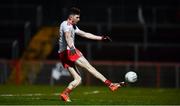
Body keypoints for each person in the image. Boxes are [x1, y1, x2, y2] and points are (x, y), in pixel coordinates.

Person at [58, 7, 126, 102]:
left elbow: (85, 34)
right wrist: (72, 48)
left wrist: (101, 38)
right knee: (90, 68)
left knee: (78, 79)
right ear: (71, 17)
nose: (79, 19)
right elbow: (67, 36)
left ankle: (65, 94)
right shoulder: (67, 24)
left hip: (63, 54)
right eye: (77, 17)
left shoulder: (72, 26)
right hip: (69, 51)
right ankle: (110, 84)